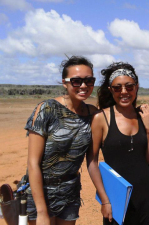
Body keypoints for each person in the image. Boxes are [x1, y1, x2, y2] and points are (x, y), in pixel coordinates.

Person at [25, 56, 97, 225]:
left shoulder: (93, 114)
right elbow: (33, 163)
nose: (84, 86)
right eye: (76, 81)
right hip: (41, 192)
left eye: (89, 80)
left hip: (70, 192)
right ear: (65, 83)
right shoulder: (47, 109)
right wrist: (41, 211)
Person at [86, 62, 149, 225]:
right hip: (117, 201)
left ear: (137, 87)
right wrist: (105, 200)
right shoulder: (101, 118)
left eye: (129, 86)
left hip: (147, 198)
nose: (124, 92)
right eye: (117, 88)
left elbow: (148, 159)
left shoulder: (143, 116)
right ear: (111, 90)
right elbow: (91, 161)